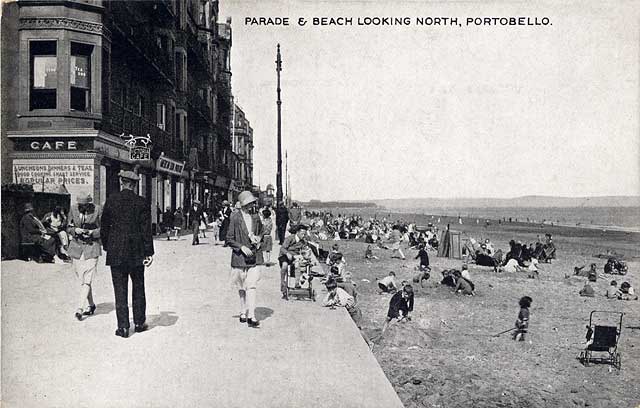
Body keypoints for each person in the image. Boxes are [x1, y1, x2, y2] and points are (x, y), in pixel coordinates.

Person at [101, 170, 154, 338]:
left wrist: (107, 246)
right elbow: (146, 231)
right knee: (138, 287)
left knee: (120, 290)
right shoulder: (141, 202)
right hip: (136, 253)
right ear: (135, 184)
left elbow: (104, 228)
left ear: (121, 182)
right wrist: (148, 252)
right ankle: (139, 323)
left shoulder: (111, 201)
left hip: (116, 252)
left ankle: (123, 327)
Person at [225, 190, 264, 327]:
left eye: (252, 203)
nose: (251, 206)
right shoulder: (235, 217)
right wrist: (241, 247)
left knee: (251, 286)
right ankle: (243, 311)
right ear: (242, 205)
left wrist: (258, 239)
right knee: (241, 287)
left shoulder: (256, 217)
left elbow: (262, 233)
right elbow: (229, 238)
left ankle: (251, 316)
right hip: (240, 258)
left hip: (254, 257)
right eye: (248, 204)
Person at [67, 193, 102, 321]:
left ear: (89, 203)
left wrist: (93, 233)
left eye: (85, 205)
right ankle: (91, 305)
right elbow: (68, 227)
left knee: (87, 278)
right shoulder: (72, 209)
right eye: (81, 205)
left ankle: (79, 309)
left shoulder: (97, 210)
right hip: (76, 248)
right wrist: (75, 230)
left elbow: (104, 228)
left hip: (92, 247)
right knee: (83, 279)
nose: (83, 207)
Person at [323, 277, 372, 349]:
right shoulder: (333, 292)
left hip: (354, 311)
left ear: (336, 287)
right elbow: (324, 303)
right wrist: (329, 294)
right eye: (329, 290)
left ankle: (370, 343)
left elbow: (342, 303)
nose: (331, 291)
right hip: (349, 311)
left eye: (332, 289)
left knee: (357, 329)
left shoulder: (339, 291)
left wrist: (333, 302)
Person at [279, 224, 309, 298]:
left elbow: (305, 251)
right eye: (302, 234)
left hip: (295, 257)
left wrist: (305, 255)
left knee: (298, 264)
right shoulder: (290, 238)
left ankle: (297, 283)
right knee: (285, 265)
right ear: (297, 232)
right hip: (285, 255)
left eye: (305, 234)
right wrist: (287, 253)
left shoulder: (303, 242)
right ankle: (282, 282)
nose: (304, 235)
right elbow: (282, 249)